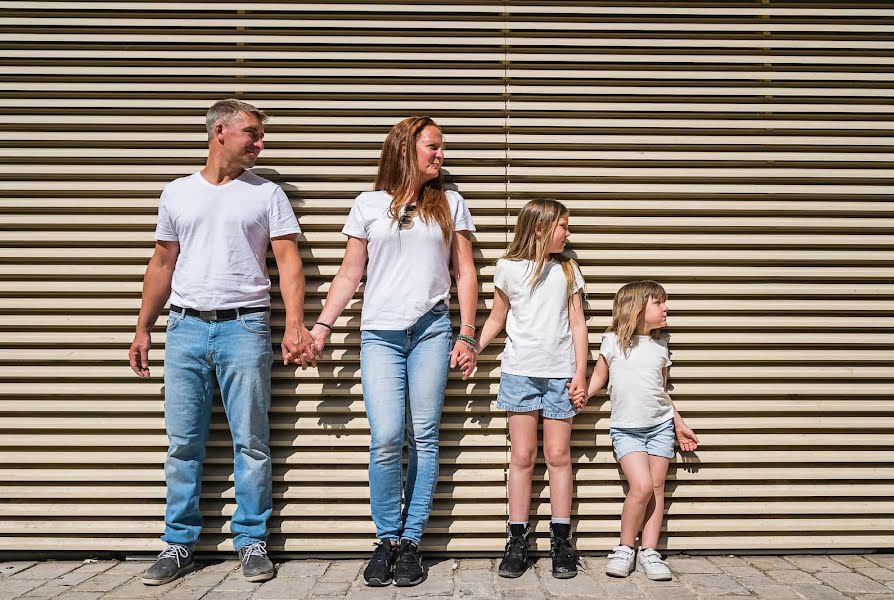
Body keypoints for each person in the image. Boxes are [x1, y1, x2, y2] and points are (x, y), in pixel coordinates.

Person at [128, 99, 316, 585]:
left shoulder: (266, 194)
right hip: (185, 326)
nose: (259, 143)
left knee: (250, 441)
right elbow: (163, 263)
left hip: (245, 326)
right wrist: (143, 327)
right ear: (220, 134)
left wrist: (294, 325)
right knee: (183, 443)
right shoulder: (177, 193)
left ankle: (252, 539)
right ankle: (178, 544)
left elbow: (288, 263)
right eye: (251, 133)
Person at [309, 116, 478, 587]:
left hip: (431, 331)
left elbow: (465, 273)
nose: (440, 155)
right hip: (379, 333)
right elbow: (349, 274)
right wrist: (323, 326)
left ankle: (410, 544)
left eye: (441, 147)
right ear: (405, 148)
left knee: (423, 435)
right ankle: (385, 538)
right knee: (386, 436)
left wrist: (466, 334)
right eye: (433, 146)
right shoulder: (367, 204)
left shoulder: (450, 203)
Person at [474, 198, 588, 579]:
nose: (568, 234)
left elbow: (578, 326)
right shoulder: (507, 268)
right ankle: (518, 538)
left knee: (558, 455)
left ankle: (561, 539)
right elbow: (496, 316)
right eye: (563, 226)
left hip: (559, 374)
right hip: (520, 372)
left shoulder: (568, 269)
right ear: (540, 228)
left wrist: (581, 373)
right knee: (522, 455)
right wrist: (473, 349)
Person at [581, 280, 699, 581]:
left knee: (657, 489)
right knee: (642, 487)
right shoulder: (612, 342)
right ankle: (624, 548)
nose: (666, 308)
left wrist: (679, 423)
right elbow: (598, 378)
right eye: (659, 303)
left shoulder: (660, 346)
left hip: (660, 426)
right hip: (627, 429)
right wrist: (581, 396)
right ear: (636, 308)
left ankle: (649, 551)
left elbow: (661, 390)